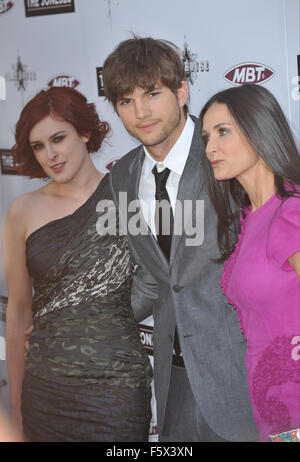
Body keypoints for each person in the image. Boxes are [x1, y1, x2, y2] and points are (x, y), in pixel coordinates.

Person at [102, 36, 259, 442]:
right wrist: (88, 324)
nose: (141, 112)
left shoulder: (227, 154)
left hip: (244, 373)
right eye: (125, 101)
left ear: (182, 91)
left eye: (152, 94)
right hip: (172, 381)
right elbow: (155, 278)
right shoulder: (122, 177)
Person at [5, 86, 152, 442]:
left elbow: (159, 278)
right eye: (39, 146)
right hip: (46, 390)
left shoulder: (128, 198)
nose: (50, 155)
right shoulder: (22, 211)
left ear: (85, 133)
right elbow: (19, 310)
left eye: (58, 138)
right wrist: (17, 402)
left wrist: (99, 314)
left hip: (116, 387)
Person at [200, 83, 300, 442]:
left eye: (223, 132)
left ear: (259, 130)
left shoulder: (291, 213)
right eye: (206, 136)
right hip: (269, 406)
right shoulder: (248, 218)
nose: (210, 147)